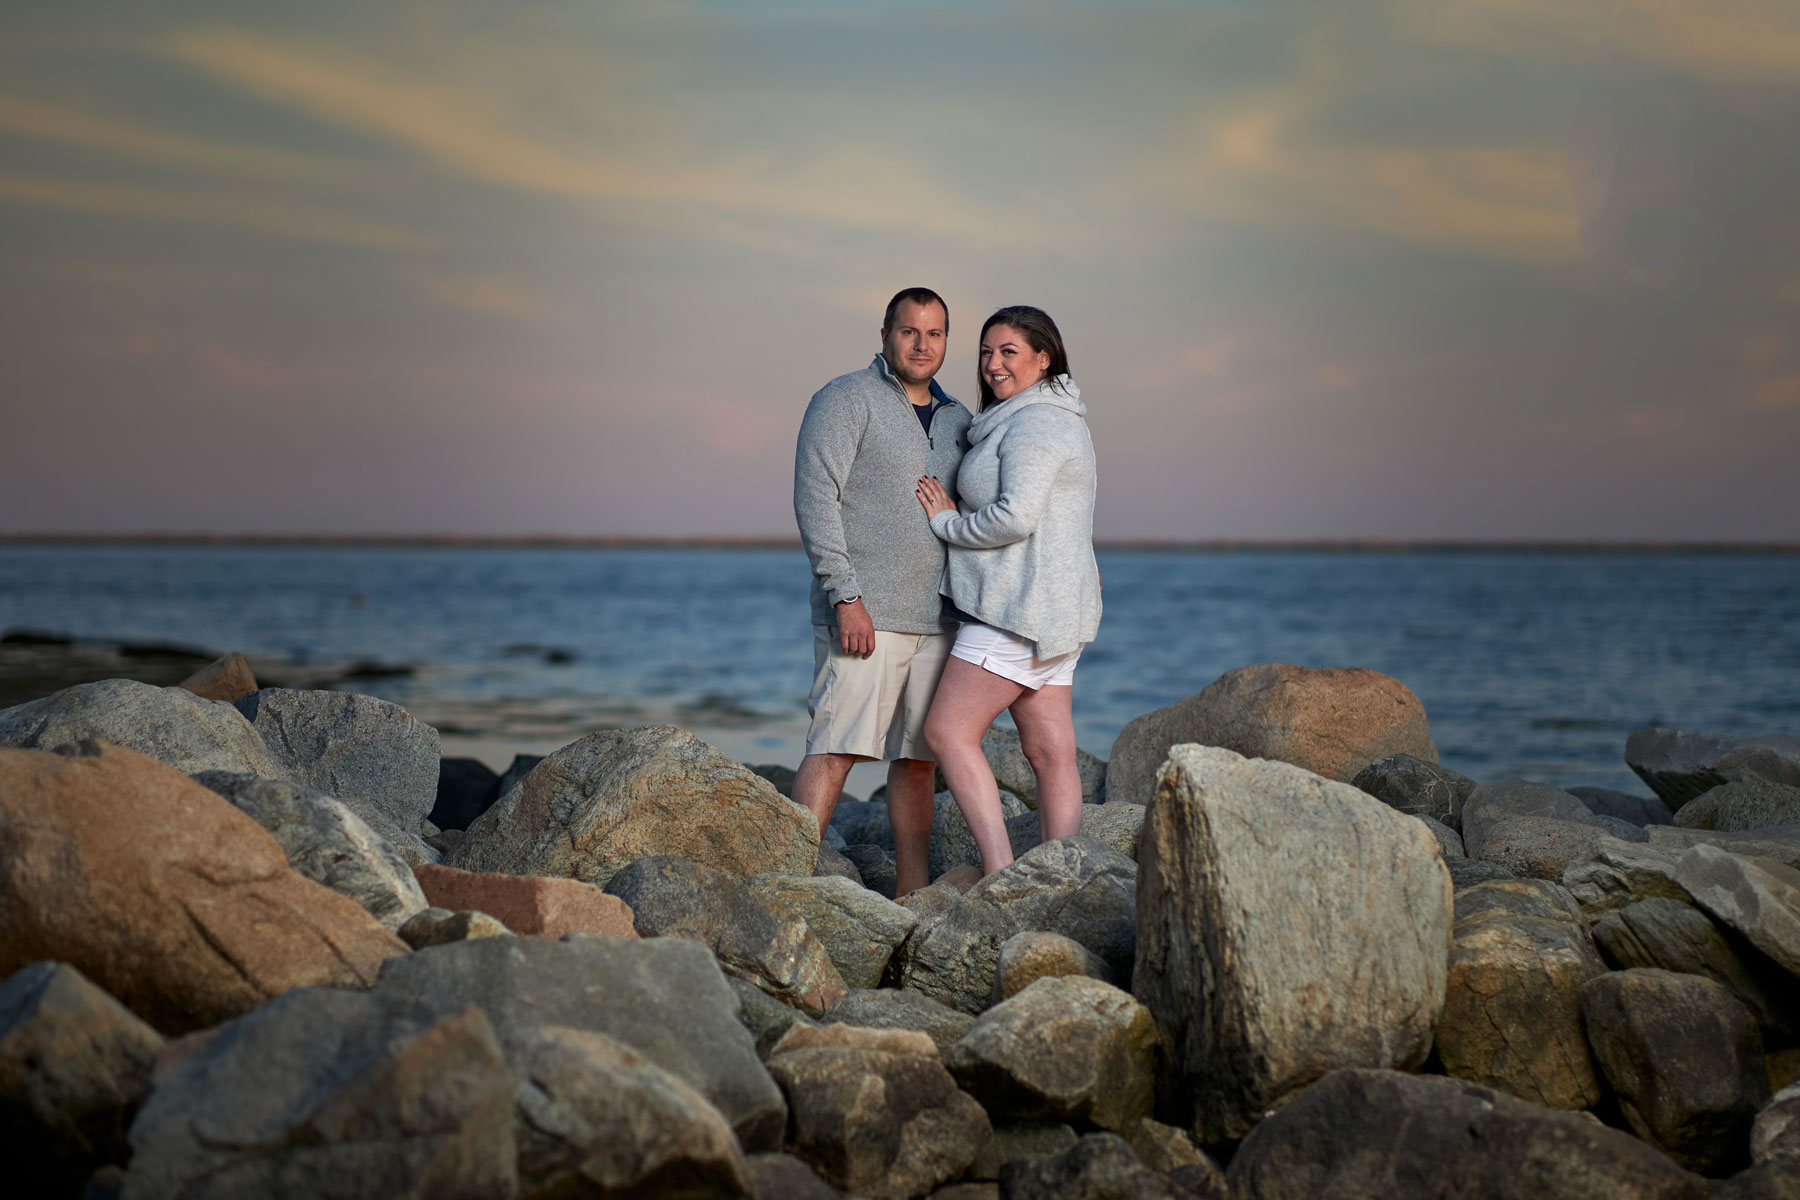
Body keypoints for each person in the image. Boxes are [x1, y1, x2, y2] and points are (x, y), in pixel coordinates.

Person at [793, 287, 973, 896]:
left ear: (947, 340)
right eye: (910, 332)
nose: (922, 345)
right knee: (835, 748)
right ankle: (785, 883)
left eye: (935, 334)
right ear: (886, 335)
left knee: (918, 762)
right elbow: (816, 499)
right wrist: (846, 597)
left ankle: (912, 895)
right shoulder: (845, 399)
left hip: (938, 618)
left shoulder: (959, 420)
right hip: (865, 613)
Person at [914, 305, 1100, 876]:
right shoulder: (1047, 416)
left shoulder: (1037, 423)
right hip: (1056, 614)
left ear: (1043, 359)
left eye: (1009, 352)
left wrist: (947, 524)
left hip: (1015, 612)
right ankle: (1057, 882)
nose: (994, 365)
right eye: (987, 352)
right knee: (1050, 754)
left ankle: (1000, 871)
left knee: (947, 732)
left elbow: (1015, 516)